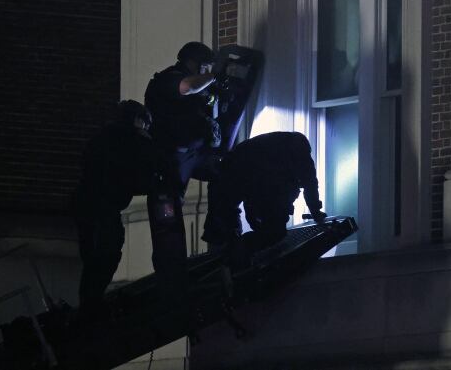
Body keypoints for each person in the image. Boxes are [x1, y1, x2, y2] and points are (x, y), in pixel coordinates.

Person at [143, 41, 222, 300]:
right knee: (167, 218)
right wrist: (215, 75)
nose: (207, 70)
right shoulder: (168, 80)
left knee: (226, 174)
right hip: (169, 163)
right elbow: (187, 87)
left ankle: (222, 232)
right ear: (194, 62)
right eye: (205, 65)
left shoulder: (198, 86)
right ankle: (171, 279)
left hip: (195, 155)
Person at [72, 100, 155, 316]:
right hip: (104, 206)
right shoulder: (135, 141)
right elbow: (143, 174)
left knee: (92, 256)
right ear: (138, 120)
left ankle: (89, 301)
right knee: (107, 252)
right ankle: (91, 304)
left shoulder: (102, 137)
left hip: (85, 202)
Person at [203, 131, 327, 256]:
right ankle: (229, 260)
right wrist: (315, 211)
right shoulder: (298, 154)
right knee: (273, 234)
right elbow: (310, 183)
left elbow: (253, 193)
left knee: (223, 232)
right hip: (226, 180)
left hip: (222, 179)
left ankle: (223, 260)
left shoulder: (267, 150)